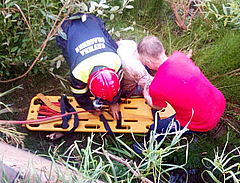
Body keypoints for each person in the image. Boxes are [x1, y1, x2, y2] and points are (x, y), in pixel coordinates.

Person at [137, 36, 226, 140]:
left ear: (148, 61)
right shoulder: (179, 56)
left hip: (202, 122)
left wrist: (147, 97)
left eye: (143, 61)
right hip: (218, 102)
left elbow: (159, 107)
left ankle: (147, 147)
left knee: (154, 129)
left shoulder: (156, 87)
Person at [56, 13, 123, 121]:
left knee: (113, 45)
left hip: (91, 20)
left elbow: (119, 83)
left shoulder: (115, 60)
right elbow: (80, 95)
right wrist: (90, 108)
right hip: (68, 27)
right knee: (71, 58)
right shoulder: (78, 71)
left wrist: (113, 102)